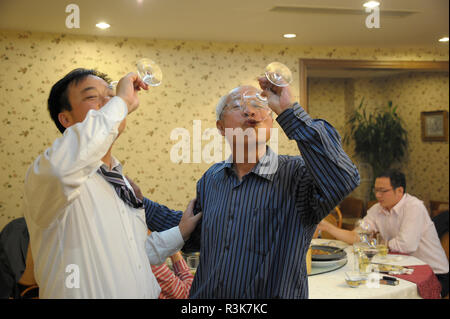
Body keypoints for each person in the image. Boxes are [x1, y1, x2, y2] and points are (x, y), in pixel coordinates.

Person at [23, 68, 201, 298]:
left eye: (110, 94)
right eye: (92, 97)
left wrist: (179, 232)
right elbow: (61, 170)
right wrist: (122, 100)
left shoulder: (121, 184)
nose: (109, 102)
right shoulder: (50, 175)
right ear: (65, 118)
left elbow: (135, 254)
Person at [184, 78, 360, 298]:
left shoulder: (297, 174)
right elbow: (197, 236)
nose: (249, 112)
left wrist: (289, 110)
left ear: (272, 121)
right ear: (220, 127)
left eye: (258, 105)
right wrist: (137, 203)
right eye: (238, 106)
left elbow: (344, 178)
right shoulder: (211, 179)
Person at [317, 169, 449, 297]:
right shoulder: (377, 210)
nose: (378, 195)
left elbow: (406, 245)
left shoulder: (414, 207)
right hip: (402, 269)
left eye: (383, 191)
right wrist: (328, 227)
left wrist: (376, 244)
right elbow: (357, 236)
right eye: (376, 190)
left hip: (433, 274)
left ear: (399, 191)